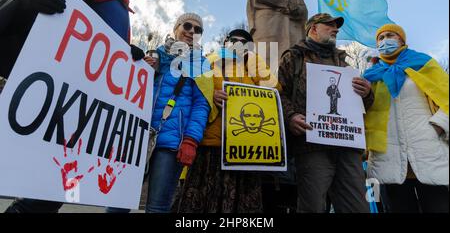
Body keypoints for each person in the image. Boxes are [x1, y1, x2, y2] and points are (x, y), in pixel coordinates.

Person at [2, 0, 139, 213]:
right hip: (45, 94)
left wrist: (128, 56)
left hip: (83, 112)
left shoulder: (121, 4)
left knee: (55, 193)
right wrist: (27, 1)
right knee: (33, 190)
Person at [107, 12, 213, 213]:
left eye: (198, 30)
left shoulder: (202, 64)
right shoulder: (154, 55)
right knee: (118, 203)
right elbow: (128, 88)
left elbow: (202, 104)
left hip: (172, 142)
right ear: (176, 28)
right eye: (187, 26)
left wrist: (191, 139)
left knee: (157, 208)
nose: (192, 32)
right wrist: (137, 65)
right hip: (137, 137)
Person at [173, 28, 280, 213]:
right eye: (234, 40)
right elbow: (192, 90)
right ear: (225, 43)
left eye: (244, 42)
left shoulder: (254, 68)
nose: (238, 44)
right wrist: (211, 93)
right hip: (210, 145)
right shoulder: (208, 61)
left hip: (245, 150)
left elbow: (275, 91)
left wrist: (255, 63)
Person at [278, 13, 374, 213]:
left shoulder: (344, 64)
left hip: (347, 149)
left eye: (336, 27)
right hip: (312, 147)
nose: (336, 29)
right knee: (312, 206)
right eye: (329, 25)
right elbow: (279, 93)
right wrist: (290, 117)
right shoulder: (294, 57)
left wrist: (367, 93)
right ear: (313, 28)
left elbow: (362, 104)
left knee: (357, 206)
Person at [363, 24, 449, 213]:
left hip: (429, 153)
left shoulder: (424, 64)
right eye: (380, 38)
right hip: (387, 158)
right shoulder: (370, 76)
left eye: (390, 35)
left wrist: (438, 127)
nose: (385, 40)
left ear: (402, 40)